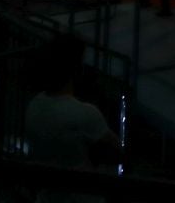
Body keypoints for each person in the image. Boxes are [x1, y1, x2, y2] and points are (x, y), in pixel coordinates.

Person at [24, 36, 119, 203]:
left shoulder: (34, 105)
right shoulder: (85, 113)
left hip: (47, 196)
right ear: (75, 70)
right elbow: (116, 149)